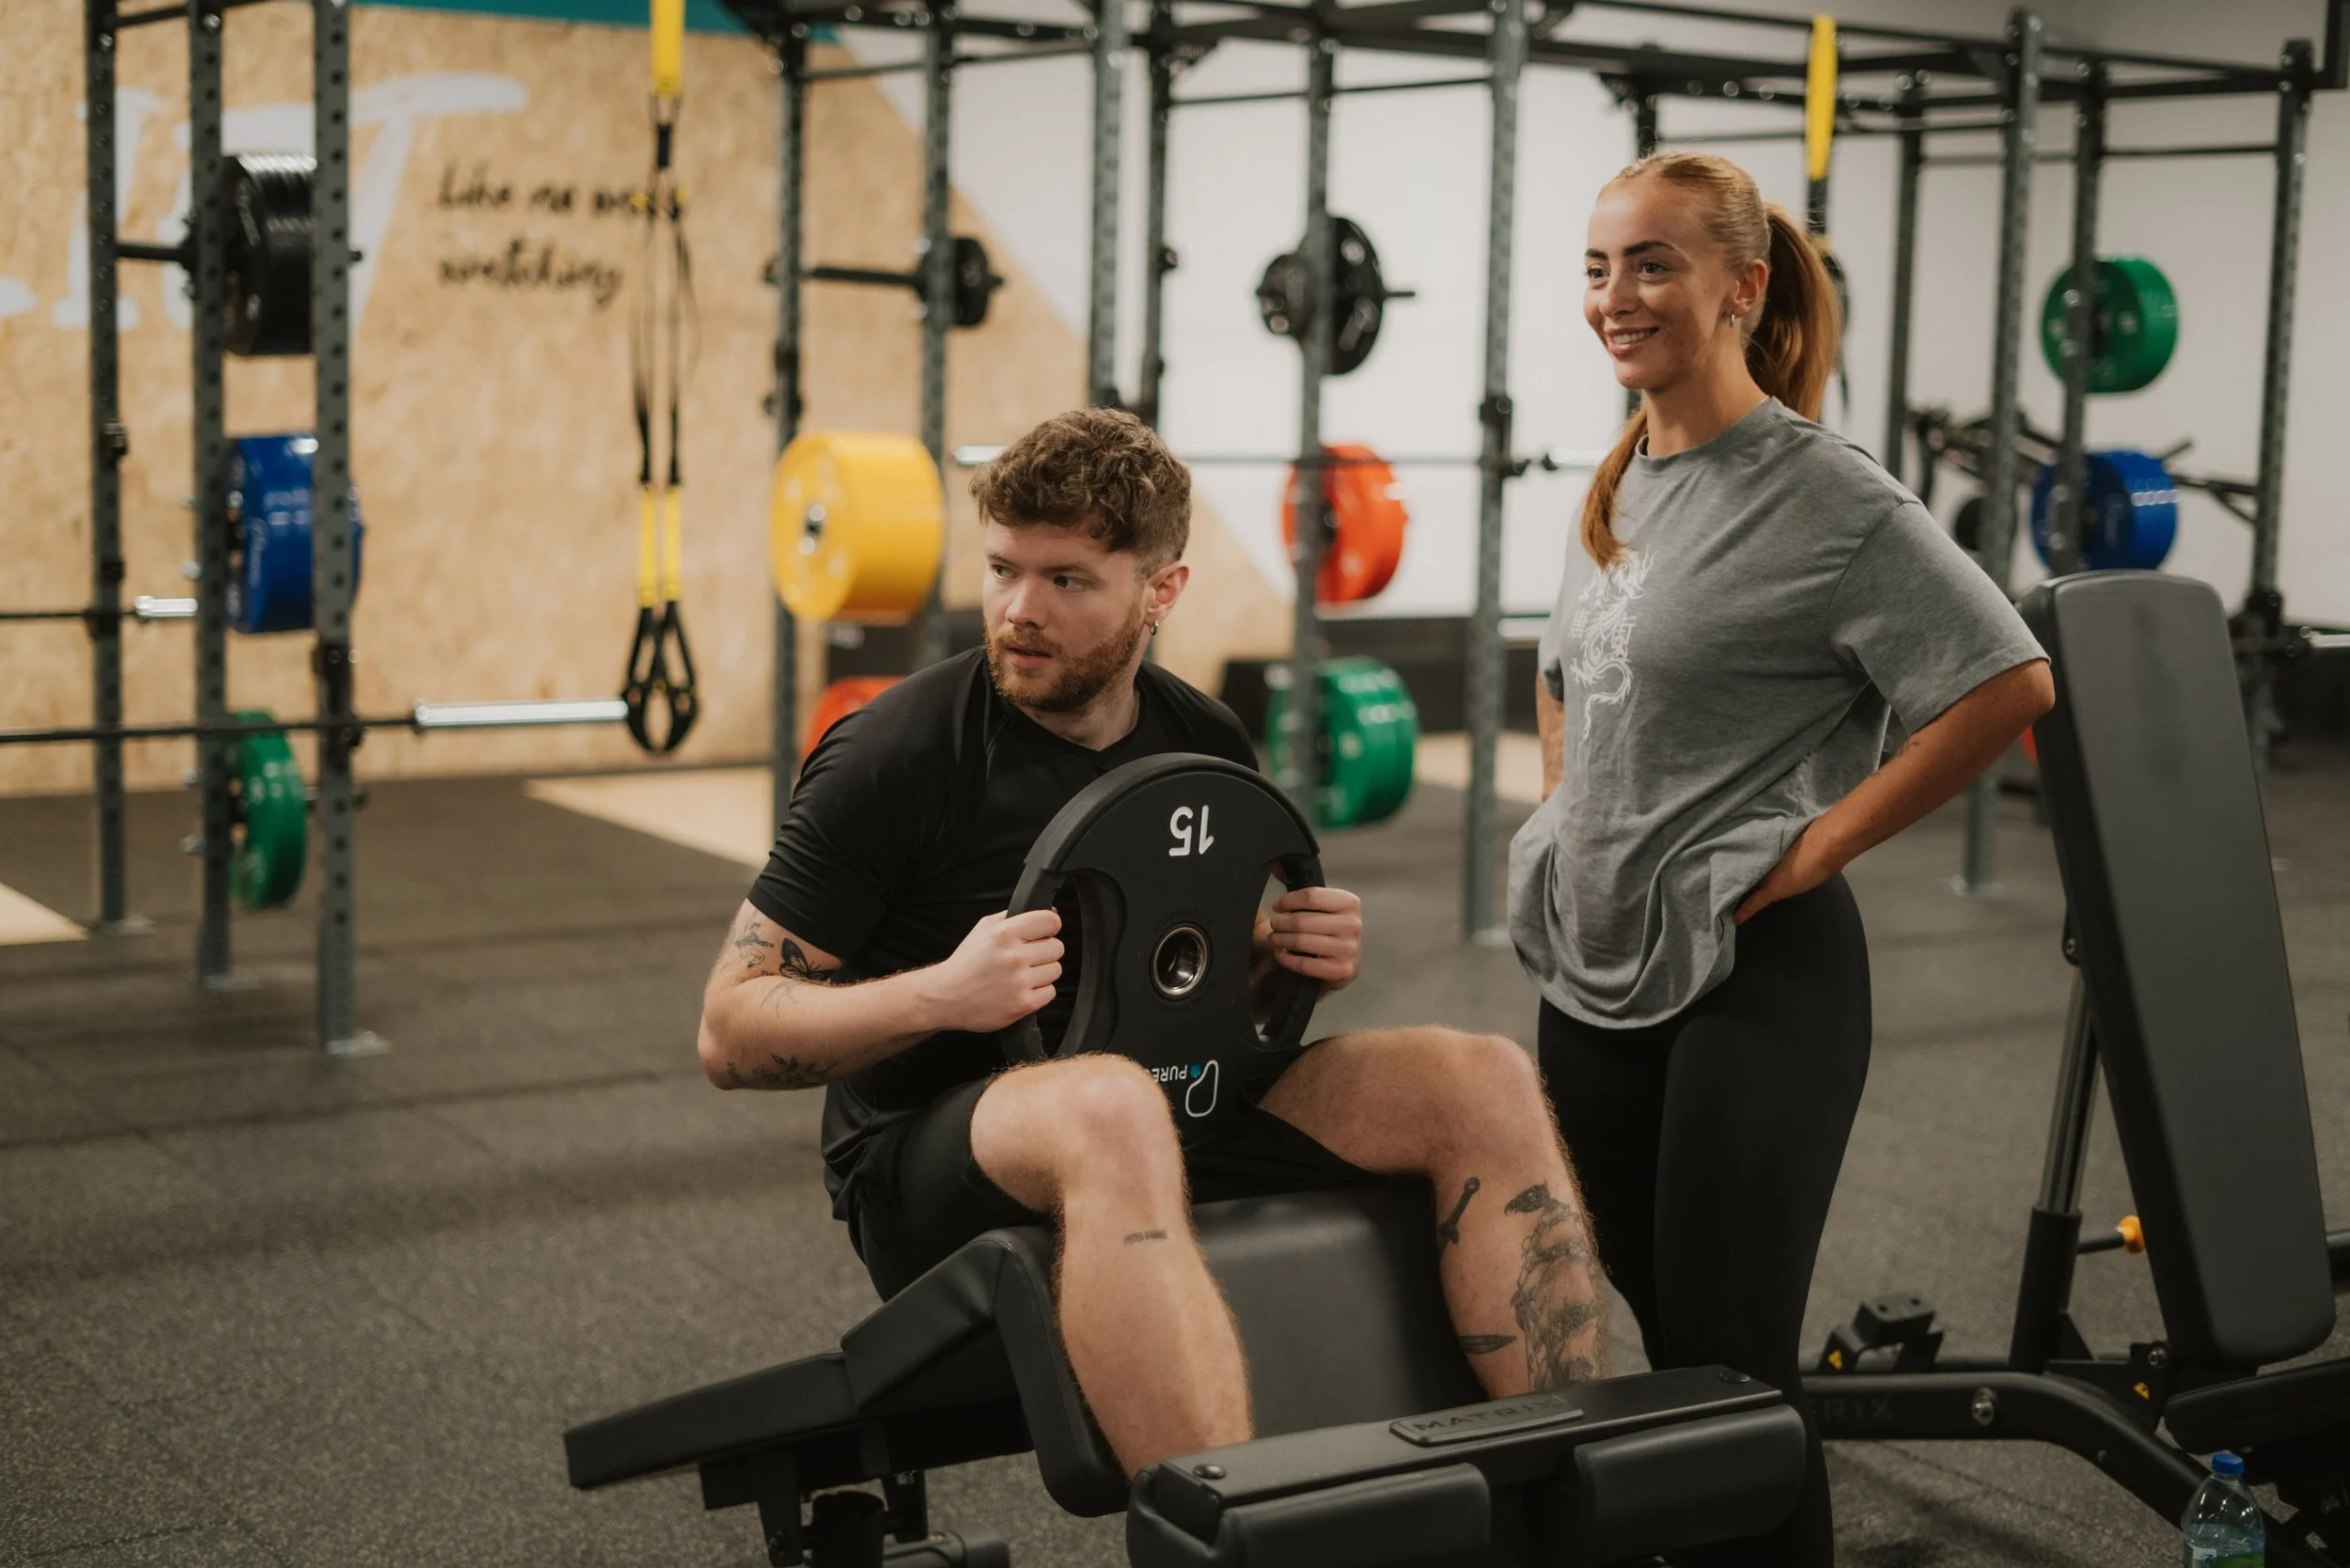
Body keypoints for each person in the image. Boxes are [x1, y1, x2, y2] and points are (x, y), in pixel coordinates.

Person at [700, 408, 1606, 1477]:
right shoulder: (895, 755)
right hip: (931, 1157)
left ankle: (1568, 1489)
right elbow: (731, 1029)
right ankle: (1234, 1535)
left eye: (1068, 581)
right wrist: (942, 995)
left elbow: (1192, 980)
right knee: (1108, 1098)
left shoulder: (1202, 742)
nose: (1018, 612)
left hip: (1174, 1105)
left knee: (1482, 1076)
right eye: (1002, 570)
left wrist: (1277, 960)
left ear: (1160, 592)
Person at [1509, 152, 2055, 1567]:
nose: (1614, 297)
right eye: (1596, 266)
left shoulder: (1827, 497)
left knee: (1733, 1361)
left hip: (1759, 968)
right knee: (1667, 1338)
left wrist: (1816, 847)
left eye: (1651, 264)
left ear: (1743, 289)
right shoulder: (1621, 475)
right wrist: (1560, 815)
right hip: (1597, 964)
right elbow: (1565, 670)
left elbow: (2005, 684)